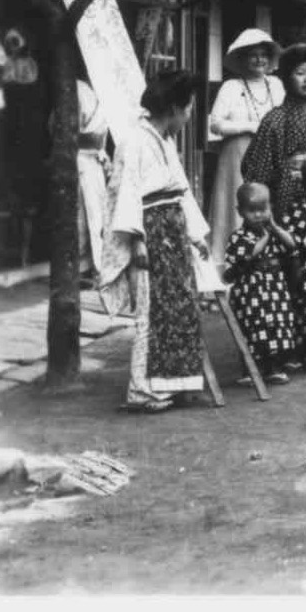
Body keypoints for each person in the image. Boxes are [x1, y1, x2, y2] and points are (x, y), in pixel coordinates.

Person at [96, 69, 212, 413]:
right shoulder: (134, 140)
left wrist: (195, 235)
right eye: (188, 109)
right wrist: (138, 242)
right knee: (151, 311)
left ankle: (172, 384)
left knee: (178, 307)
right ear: (174, 108)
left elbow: (180, 190)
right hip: (149, 232)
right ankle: (143, 391)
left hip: (172, 231)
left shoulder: (164, 140)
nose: (189, 116)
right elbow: (125, 194)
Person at [242, 42, 306, 369]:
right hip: (286, 200)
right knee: (289, 270)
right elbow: (255, 169)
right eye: (300, 73)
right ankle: (288, 345)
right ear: (287, 78)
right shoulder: (275, 120)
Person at [205, 28, 282, 264]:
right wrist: (249, 126)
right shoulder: (231, 87)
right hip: (237, 153)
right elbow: (216, 124)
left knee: (268, 199)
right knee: (235, 201)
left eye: (263, 55)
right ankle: (231, 255)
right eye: (253, 55)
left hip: (270, 151)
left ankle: (268, 253)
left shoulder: (276, 85)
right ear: (242, 59)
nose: (259, 60)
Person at [221, 182, 298, 385]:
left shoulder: (274, 233)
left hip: (274, 289)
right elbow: (249, 254)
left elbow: (292, 245)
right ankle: (250, 370)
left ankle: (273, 368)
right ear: (240, 211)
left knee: (276, 327)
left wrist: (274, 227)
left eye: (263, 209)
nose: (258, 215)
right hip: (251, 291)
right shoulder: (238, 236)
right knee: (254, 328)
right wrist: (264, 237)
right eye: (252, 210)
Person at [74, 80, 112, 283]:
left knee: (97, 216)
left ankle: (94, 266)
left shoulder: (102, 92)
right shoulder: (78, 89)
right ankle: (80, 267)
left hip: (95, 160)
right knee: (81, 215)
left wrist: (103, 154)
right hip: (79, 158)